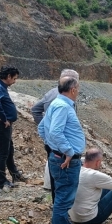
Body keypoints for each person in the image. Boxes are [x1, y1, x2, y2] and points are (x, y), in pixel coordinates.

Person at [38, 76, 85, 224]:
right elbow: (55, 132)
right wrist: (67, 151)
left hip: (59, 158)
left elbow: (42, 128)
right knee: (63, 199)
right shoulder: (64, 107)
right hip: (66, 162)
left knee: (63, 196)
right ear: (72, 89)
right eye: (77, 88)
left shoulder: (56, 103)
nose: (78, 91)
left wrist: (53, 147)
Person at [31, 69, 80, 201]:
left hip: (54, 143)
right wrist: (68, 149)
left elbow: (35, 110)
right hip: (61, 145)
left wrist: (46, 134)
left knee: (56, 173)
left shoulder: (52, 93)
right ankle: (59, 205)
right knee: (62, 175)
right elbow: (56, 130)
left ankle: (57, 202)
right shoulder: (62, 101)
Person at [69, 147, 112, 224]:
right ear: (97, 162)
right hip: (89, 220)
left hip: (74, 216)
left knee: (108, 188)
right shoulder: (93, 175)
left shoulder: (76, 167)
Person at [0, 65, 25, 190]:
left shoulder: (0, 86)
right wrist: (4, 118)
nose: (14, 82)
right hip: (0, 125)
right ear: (8, 76)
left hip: (4, 125)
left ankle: (14, 174)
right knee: (2, 153)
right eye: (14, 79)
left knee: (9, 150)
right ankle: (2, 182)